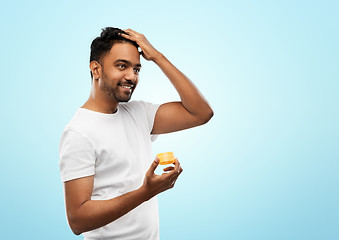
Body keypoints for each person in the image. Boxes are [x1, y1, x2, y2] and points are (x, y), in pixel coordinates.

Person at [59, 27, 213, 239]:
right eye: (122, 66)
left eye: (137, 69)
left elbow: (201, 113)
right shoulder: (79, 132)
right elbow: (77, 220)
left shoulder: (139, 113)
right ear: (96, 69)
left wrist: (158, 57)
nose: (131, 76)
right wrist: (145, 193)